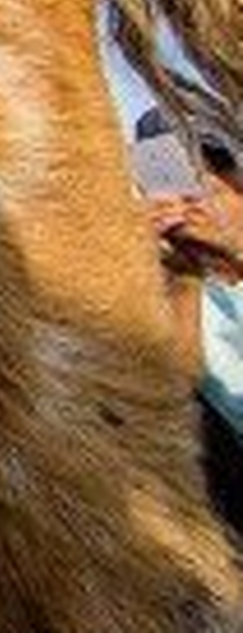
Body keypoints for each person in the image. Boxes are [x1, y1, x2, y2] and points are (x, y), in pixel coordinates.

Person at [134, 93, 243, 531]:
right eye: (171, 185)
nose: (190, 203)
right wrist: (181, 279)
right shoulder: (172, 288)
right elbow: (178, 403)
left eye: (208, 184)